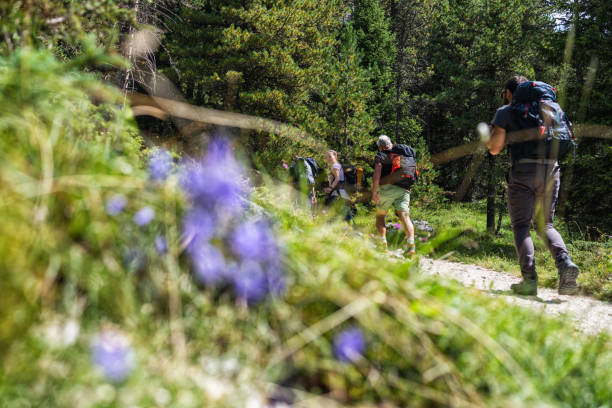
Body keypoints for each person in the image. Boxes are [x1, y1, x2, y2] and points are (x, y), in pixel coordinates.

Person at [487, 75, 579, 296]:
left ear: (510, 92)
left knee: (521, 226)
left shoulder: (506, 111)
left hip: (523, 171)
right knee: (545, 225)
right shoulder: (550, 108)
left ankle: (529, 280)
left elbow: (494, 149)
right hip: (551, 170)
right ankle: (565, 263)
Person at [371, 135, 416, 255]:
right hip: (405, 189)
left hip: (387, 188)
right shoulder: (403, 155)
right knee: (405, 217)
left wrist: (374, 191)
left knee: (380, 216)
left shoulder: (381, 155)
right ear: (390, 143)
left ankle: (382, 245)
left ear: (380, 146)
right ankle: (411, 245)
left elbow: (377, 173)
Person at [322, 150, 354, 223]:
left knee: (330, 209)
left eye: (330, 156)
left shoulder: (335, 166)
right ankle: (349, 226)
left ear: (335, 157)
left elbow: (337, 178)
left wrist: (330, 188)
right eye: (327, 157)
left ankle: (351, 226)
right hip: (340, 191)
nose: (328, 158)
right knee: (341, 211)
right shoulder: (336, 165)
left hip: (337, 192)